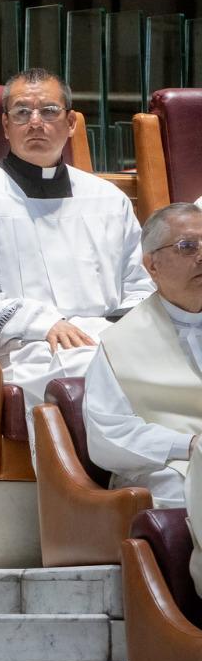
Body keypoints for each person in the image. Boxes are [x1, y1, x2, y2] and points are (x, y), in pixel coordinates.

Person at [0, 68, 151, 432]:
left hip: (111, 341)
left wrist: (114, 332)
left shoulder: (108, 201)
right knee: (91, 371)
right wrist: (45, 322)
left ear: (70, 123)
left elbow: (142, 287)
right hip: (30, 352)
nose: (35, 122)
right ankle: (92, 484)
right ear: (5, 126)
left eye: (49, 111)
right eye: (22, 112)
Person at [81, 203, 202, 508]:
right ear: (152, 266)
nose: (201, 256)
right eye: (187, 247)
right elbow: (108, 434)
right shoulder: (119, 345)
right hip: (172, 463)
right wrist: (189, 444)